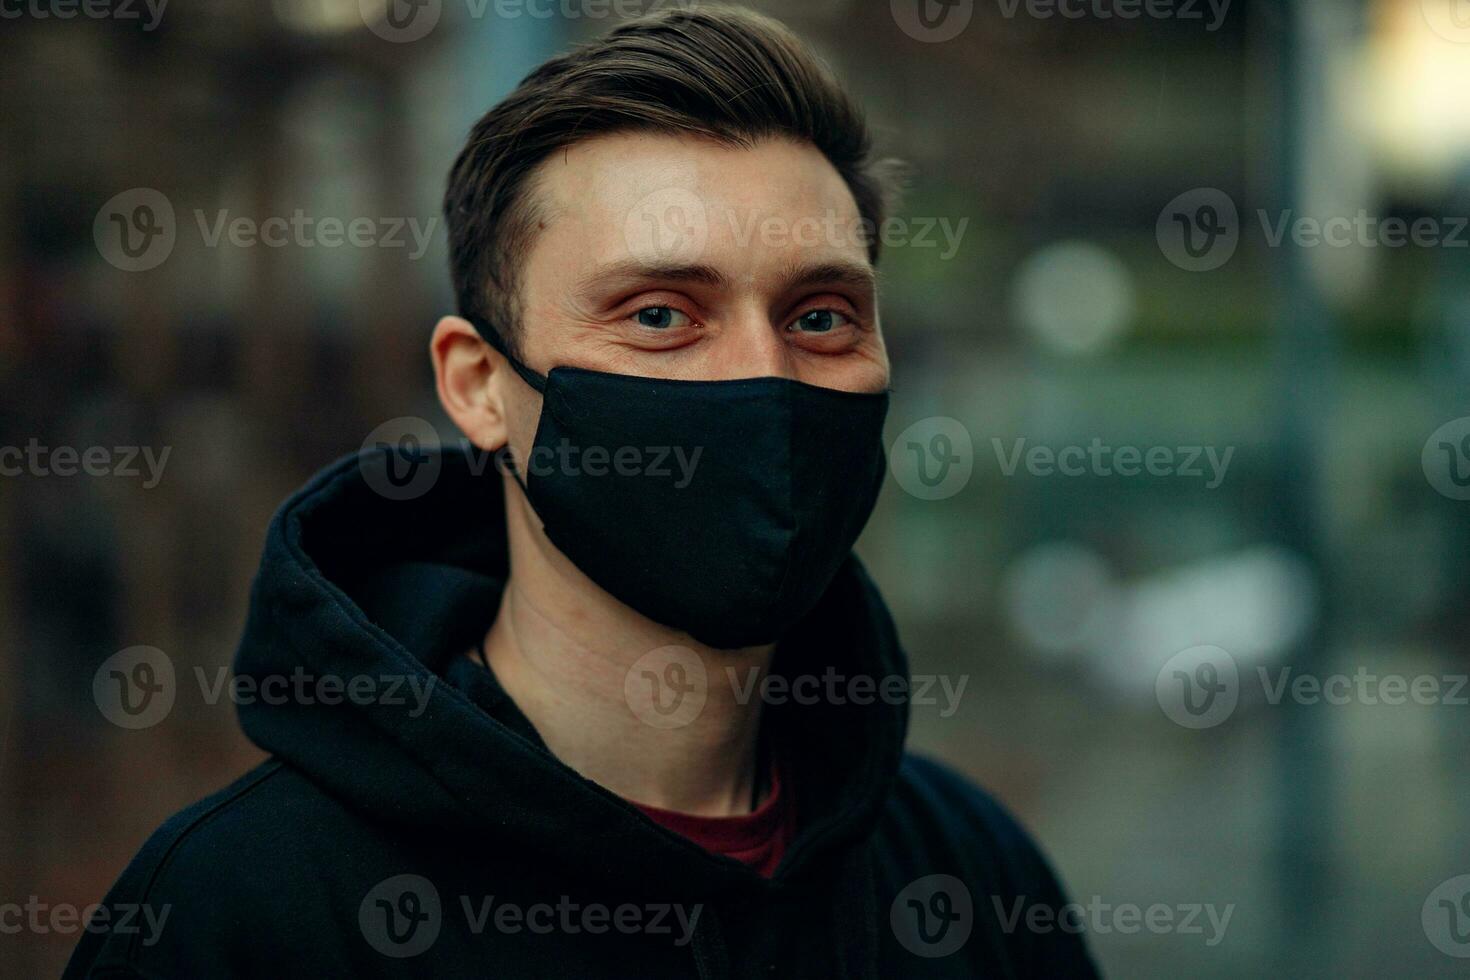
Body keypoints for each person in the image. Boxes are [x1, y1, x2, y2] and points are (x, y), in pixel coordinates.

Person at [67, 7, 1098, 977]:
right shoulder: (243, 915)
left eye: (821, 315)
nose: (764, 375)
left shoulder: (970, 876)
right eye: (658, 316)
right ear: (479, 386)